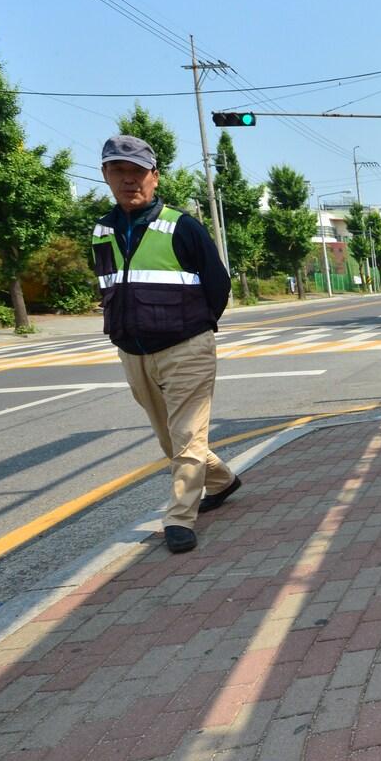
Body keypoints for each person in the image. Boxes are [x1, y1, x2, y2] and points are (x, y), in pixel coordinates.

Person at [93, 135, 240, 554]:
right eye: (119, 171)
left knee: (187, 435)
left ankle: (179, 518)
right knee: (170, 440)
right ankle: (224, 481)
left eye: (137, 172)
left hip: (186, 348)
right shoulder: (102, 230)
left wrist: (198, 327)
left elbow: (218, 284)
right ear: (105, 175)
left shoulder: (181, 225)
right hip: (133, 351)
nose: (128, 180)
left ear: (154, 178)